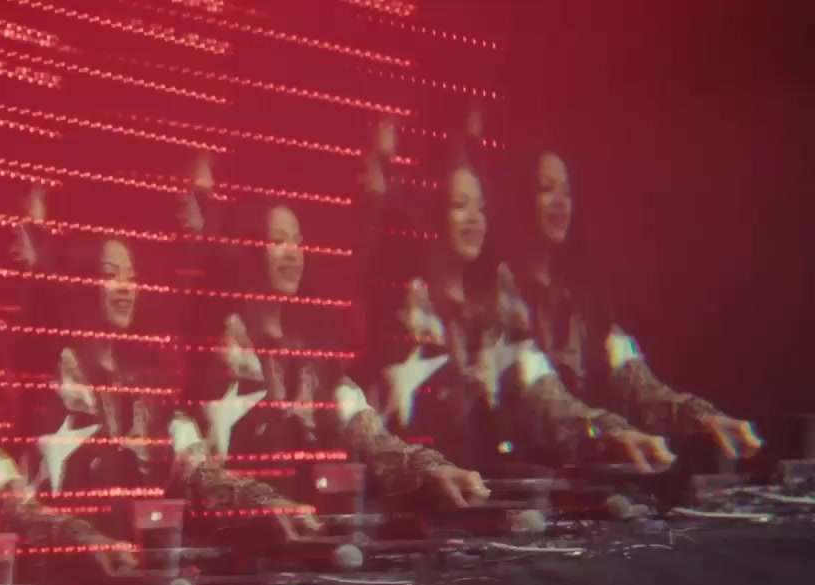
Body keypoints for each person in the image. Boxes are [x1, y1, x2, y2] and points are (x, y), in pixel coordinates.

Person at [359, 156, 678, 473]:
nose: (474, 219)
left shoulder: (494, 316)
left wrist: (614, 433)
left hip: (482, 490)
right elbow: (413, 422)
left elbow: (541, 393)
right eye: (460, 205)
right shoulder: (407, 315)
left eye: (481, 208)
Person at [185, 191, 488, 514]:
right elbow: (196, 471)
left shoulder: (315, 362)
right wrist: (263, 505)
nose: (293, 254)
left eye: (297, 242)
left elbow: (373, 439)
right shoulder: (217, 363)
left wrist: (432, 469)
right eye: (278, 241)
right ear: (246, 250)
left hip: (316, 534)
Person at [505, 149, 763, 460]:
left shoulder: (582, 298)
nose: (561, 202)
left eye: (567, 192)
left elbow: (638, 386)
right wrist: (613, 432)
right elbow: (541, 398)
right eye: (547, 189)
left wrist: (703, 419)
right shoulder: (500, 294)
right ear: (518, 197)